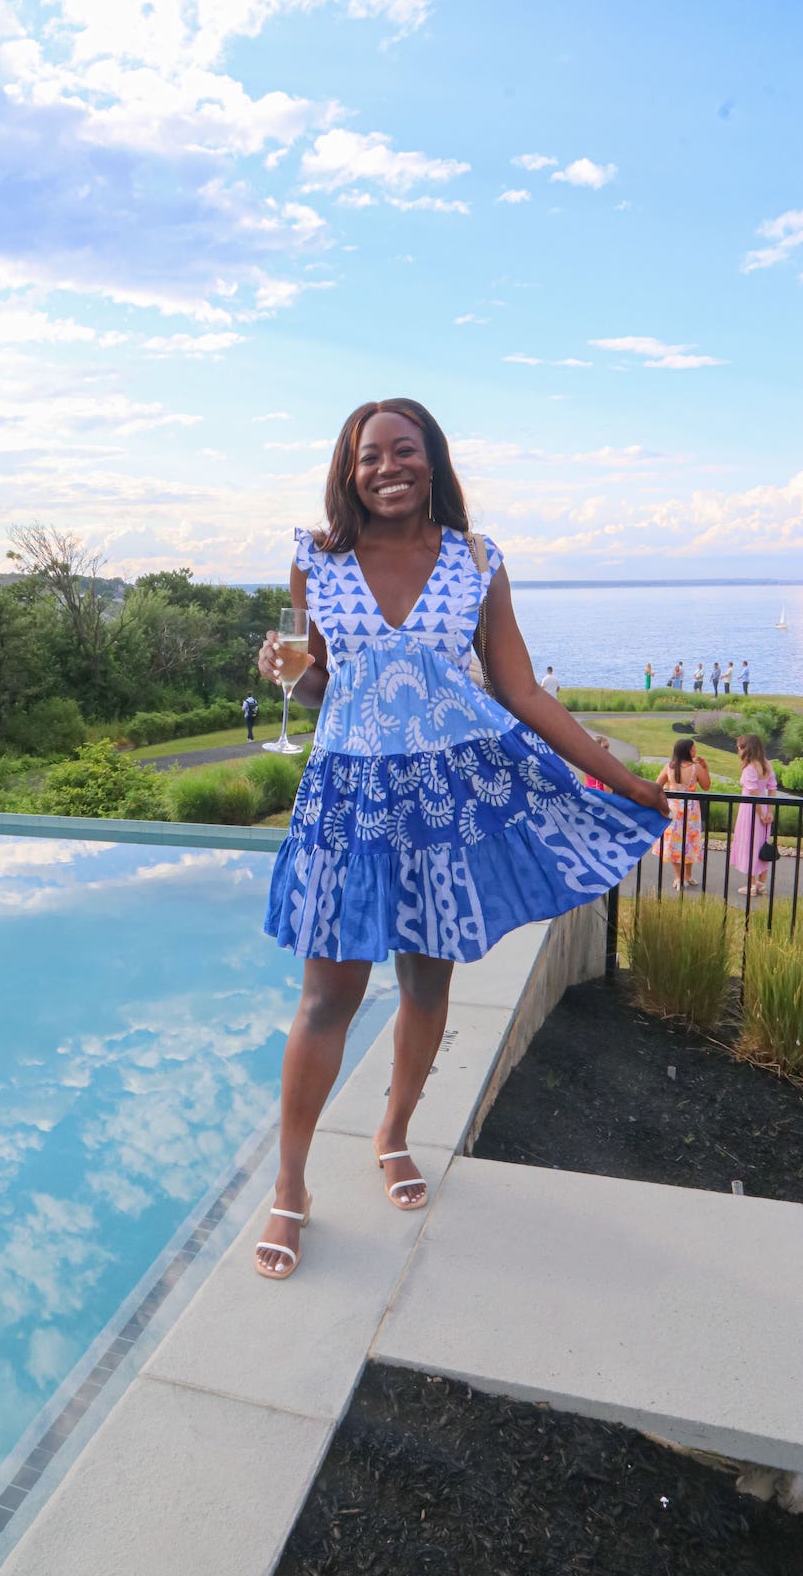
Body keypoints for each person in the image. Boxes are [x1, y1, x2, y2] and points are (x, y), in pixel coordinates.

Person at [253, 398, 670, 1281]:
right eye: (372, 455)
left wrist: (622, 777)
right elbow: (325, 674)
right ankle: (290, 1185)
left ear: (433, 462)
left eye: (406, 451)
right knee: (326, 998)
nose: (388, 466)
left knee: (424, 980)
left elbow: (522, 691)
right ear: (350, 469)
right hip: (350, 800)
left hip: (447, 801)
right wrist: (294, 666)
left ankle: (394, 1134)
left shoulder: (478, 561)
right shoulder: (315, 561)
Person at [654, 738, 710, 891]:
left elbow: (657, 785)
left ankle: (678, 877)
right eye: (694, 748)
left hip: (674, 807)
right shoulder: (696, 768)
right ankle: (687, 875)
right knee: (689, 840)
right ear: (688, 750)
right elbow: (706, 786)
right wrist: (705, 767)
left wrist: (668, 787)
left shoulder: (669, 767)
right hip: (691, 810)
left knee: (674, 841)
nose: (695, 750)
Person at [730, 733, 777, 896]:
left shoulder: (750, 768)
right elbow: (772, 789)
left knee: (749, 844)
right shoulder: (767, 764)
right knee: (762, 843)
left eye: (740, 747)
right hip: (764, 806)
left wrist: (760, 814)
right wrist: (769, 812)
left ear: (746, 748)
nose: (738, 750)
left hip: (751, 810)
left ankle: (751, 886)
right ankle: (761, 884)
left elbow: (753, 794)